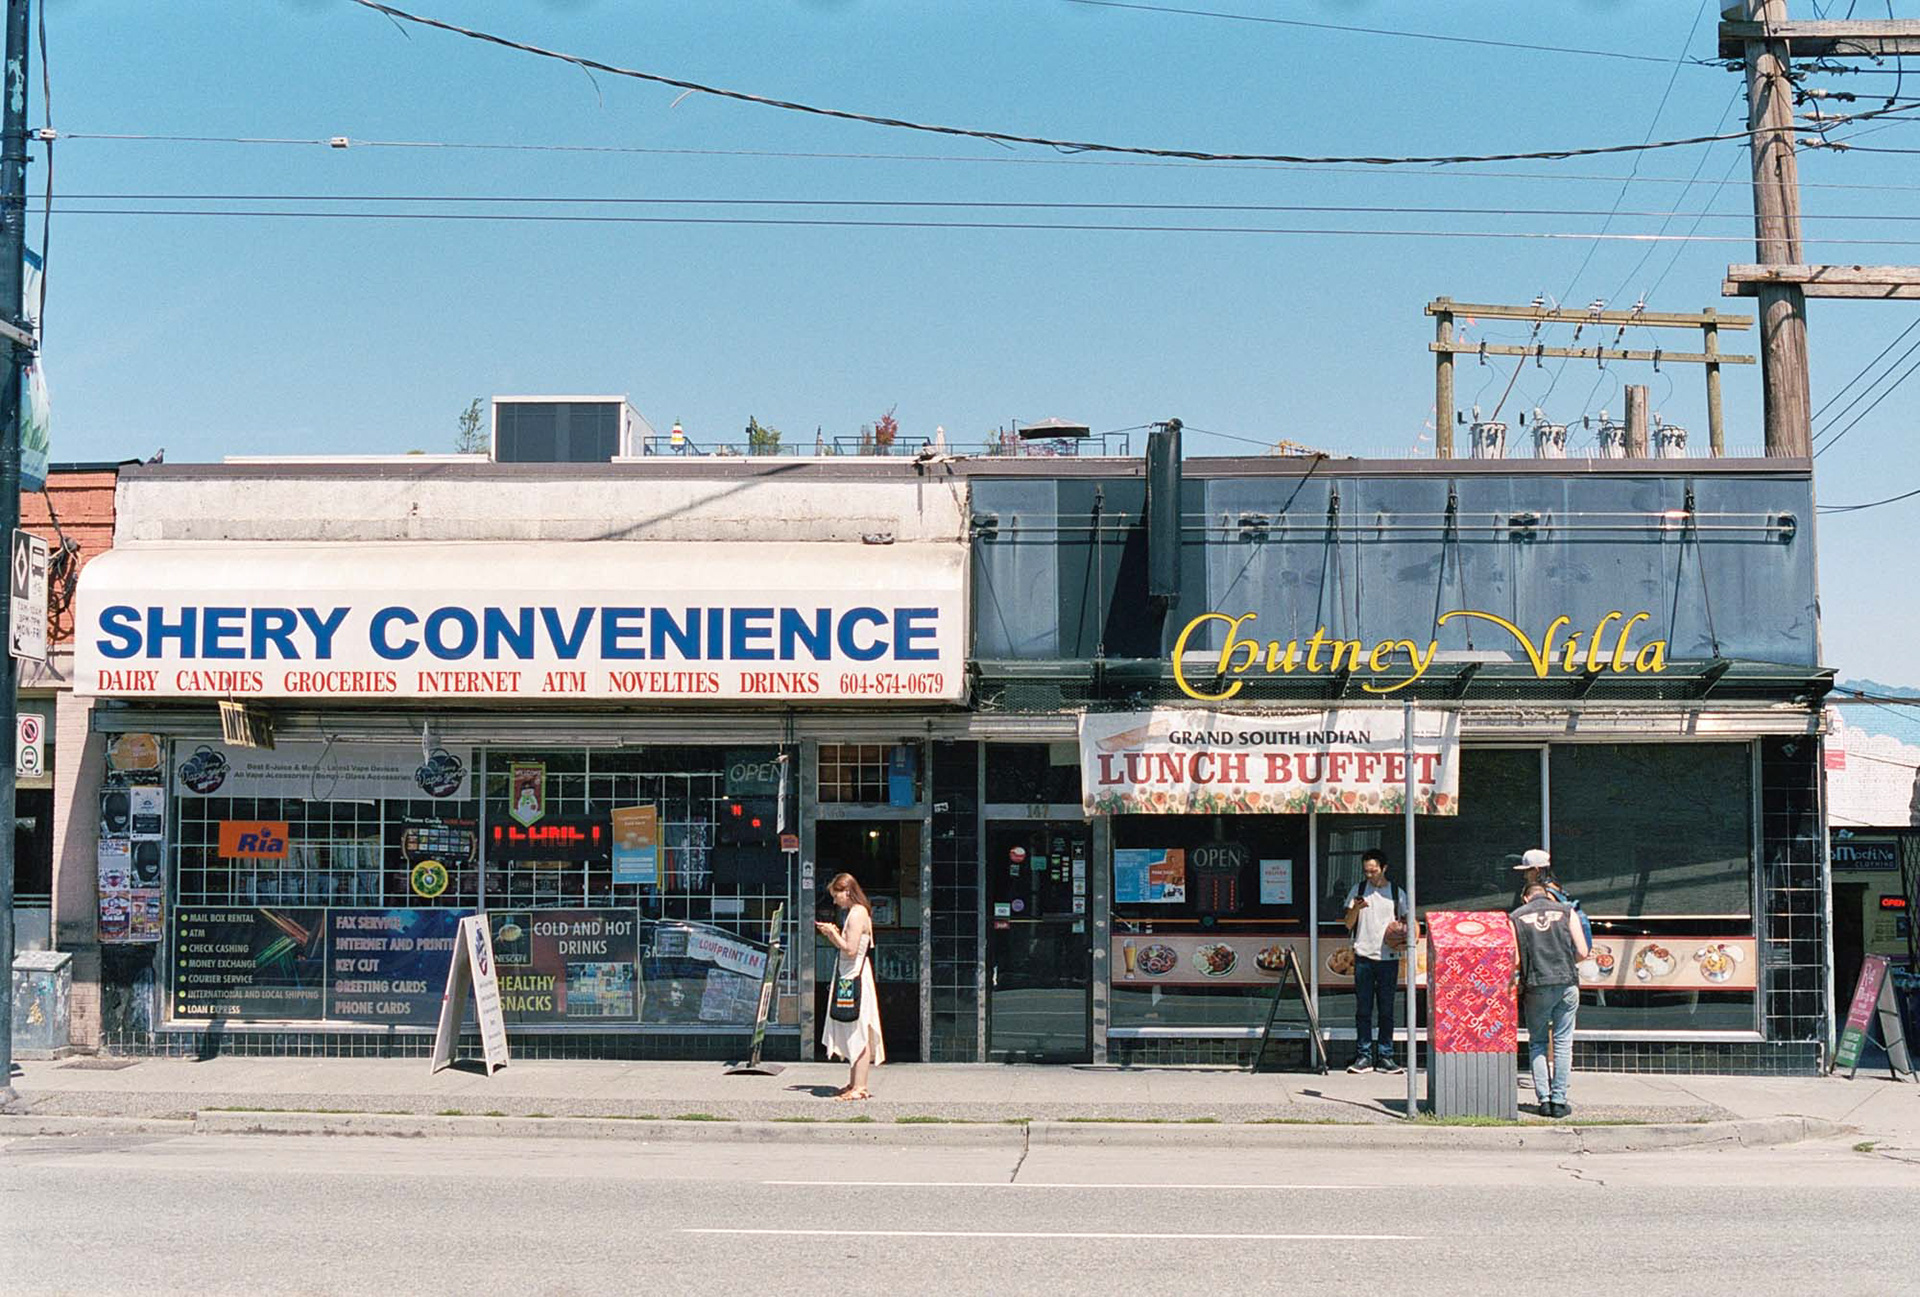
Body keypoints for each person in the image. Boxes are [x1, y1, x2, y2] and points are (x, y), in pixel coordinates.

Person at [1511, 878, 1590, 1118]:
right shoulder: (1567, 911)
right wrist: (1566, 965)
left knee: (1537, 1042)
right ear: (1547, 895)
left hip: (1537, 985)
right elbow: (1583, 951)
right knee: (1563, 1042)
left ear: (1525, 898)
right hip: (1567, 983)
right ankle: (1559, 1101)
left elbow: (1515, 959)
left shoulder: (1516, 917)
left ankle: (1544, 1100)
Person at [815, 872, 885, 1099]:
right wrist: (834, 934)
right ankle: (854, 1083)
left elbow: (851, 949)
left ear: (846, 891)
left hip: (855, 975)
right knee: (851, 1026)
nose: (835, 902)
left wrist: (832, 934)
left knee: (859, 1028)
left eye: (836, 896)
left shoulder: (857, 914)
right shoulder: (857, 912)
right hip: (851, 975)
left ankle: (860, 1086)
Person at [1342, 849, 1409, 1075]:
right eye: (1366, 871)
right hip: (1363, 955)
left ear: (1384, 868)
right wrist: (1356, 908)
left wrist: (1404, 936)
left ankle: (1385, 1056)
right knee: (1363, 1009)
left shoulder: (1396, 892)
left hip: (1388, 957)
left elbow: (1408, 921)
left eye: (1373, 871)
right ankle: (1364, 1055)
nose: (1369, 875)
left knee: (1386, 1009)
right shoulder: (1359, 890)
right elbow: (1347, 924)